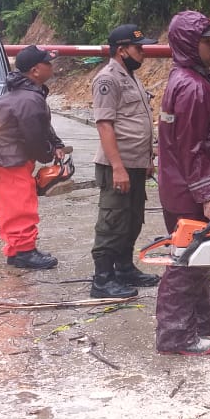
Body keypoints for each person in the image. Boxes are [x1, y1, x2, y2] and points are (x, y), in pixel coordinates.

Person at [155, 11, 210, 356]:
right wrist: (207, 195)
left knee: (201, 257)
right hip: (191, 192)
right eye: (208, 41)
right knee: (187, 261)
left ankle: (206, 315)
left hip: (183, 187)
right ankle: (175, 335)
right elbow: (191, 149)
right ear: (191, 44)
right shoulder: (192, 88)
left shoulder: (187, 80)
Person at [0, 45, 66, 270]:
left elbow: (42, 125)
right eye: (48, 63)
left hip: (1, 153)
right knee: (20, 202)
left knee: (12, 202)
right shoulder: (29, 99)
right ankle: (24, 251)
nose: (52, 67)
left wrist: (56, 144)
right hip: (6, 156)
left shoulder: (25, 93)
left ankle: (17, 249)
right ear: (35, 70)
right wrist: (46, 155)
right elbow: (34, 135)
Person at [90, 24, 161, 299]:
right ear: (122, 50)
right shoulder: (108, 79)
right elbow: (105, 125)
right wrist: (118, 167)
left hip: (135, 163)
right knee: (112, 220)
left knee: (132, 220)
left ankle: (124, 269)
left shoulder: (130, 77)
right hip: (116, 166)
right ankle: (102, 279)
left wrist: (147, 159)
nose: (143, 53)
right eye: (138, 48)